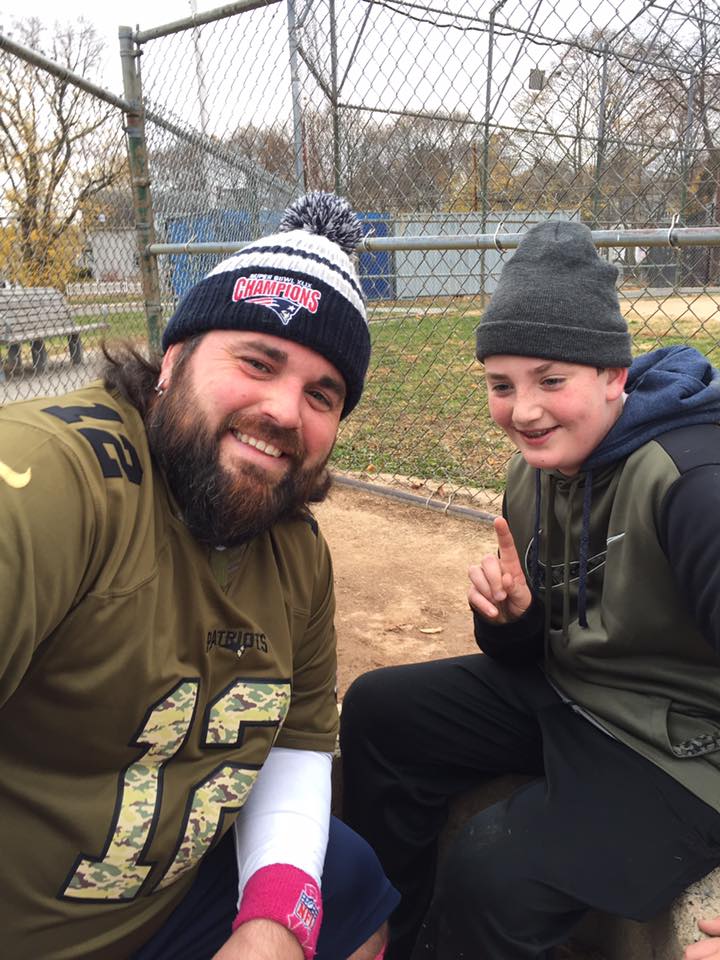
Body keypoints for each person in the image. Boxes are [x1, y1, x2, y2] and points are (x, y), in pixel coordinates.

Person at [0, 192, 399, 960]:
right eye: (258, 362)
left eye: (322, 394)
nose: (285, 411)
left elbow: (295, 744)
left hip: (164, 898)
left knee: (351, 887)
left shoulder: (298, 552)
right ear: (174, 359)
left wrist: (273, 925)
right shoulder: (54, 483)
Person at [339, 219, 720, 960]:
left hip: (683, 747)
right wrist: (513, 621)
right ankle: (387, 936)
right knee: (381, 711)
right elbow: (539, 647)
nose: (524, 411)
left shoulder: (693, 483)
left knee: (495, 870)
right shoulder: (535, 470)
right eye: (501, 385)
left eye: (551, 380)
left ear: (613, 375)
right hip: (574, 693)